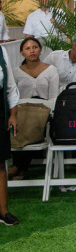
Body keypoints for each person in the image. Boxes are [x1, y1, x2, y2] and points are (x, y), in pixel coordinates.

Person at [7, 38, 58, 181]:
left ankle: (18, 167)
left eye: (35, 47)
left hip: (44, 112)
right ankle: (20, 168)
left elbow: (53, 97)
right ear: (22, 52)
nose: (32, 51)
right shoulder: (16, 72)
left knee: (32, 124)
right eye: (28, 48)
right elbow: (13, 96)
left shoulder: (51, 70)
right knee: (20, 123)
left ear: (40, 50)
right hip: (22, 111)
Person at [0, 44, 20, 226]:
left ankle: (3, 211)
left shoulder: (2, 51)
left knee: (0, 163)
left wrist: (13, 115)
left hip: (0, 111)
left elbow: (10, 87)